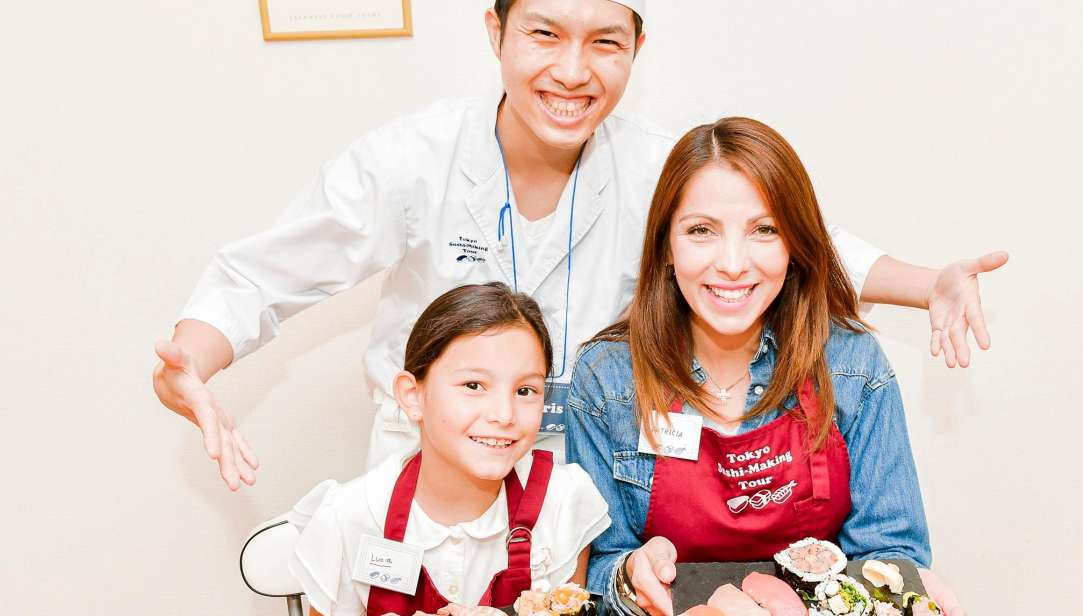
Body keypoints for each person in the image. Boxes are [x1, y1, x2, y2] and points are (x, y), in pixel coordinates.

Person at [151, 0, 1008, 491]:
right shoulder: (412, 159)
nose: (572, 71)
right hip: (429, 476)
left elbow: (788, 240)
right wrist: (191, 361)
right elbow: (263, 277)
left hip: (585, 482)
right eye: (544, 34)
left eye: (605, 42)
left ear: (638, 48)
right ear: (495, 32)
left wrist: (931, 282)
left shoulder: (650, 163)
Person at [564, 117, 965, 615]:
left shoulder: (851, 366)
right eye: (701, 231)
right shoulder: (607, 379)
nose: (732, 263)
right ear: (666, 246)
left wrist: (895, 584)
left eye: (764, 230)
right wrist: (628, 579)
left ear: (794, 246)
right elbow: (593, 577)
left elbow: (888, 553)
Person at [289, 282, 610, 615]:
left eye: (525, 390)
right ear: (412, 396)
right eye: (473, 385)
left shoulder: (562, 501)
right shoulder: (350, 517)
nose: (504, 415)